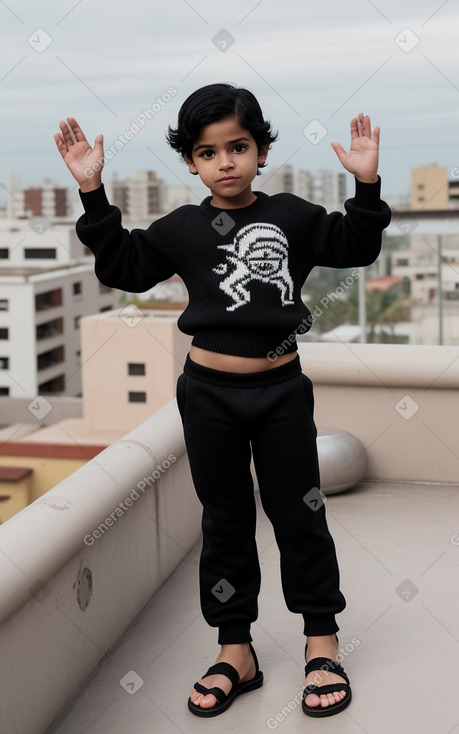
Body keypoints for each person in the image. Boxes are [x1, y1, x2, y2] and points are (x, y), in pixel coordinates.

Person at [54, 83, 391, 719]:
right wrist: (93, 193)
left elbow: (356, 246)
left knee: (300, 514)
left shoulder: (293, 215)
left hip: (280, 392)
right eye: (209, 153)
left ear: (261, 150)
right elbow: (123, 266)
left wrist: (367, 186)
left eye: (239, 147)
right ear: (190, 162)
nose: (226, 162)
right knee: (225, 519)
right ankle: (235, 649)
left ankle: (323, 642)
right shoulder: (182, 228)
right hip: (207, 393)